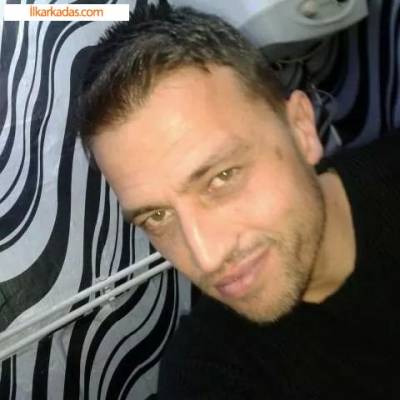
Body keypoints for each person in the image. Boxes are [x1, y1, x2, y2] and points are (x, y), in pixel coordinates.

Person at [78, 1, 400, 398]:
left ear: (301, 130)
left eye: (222, 177)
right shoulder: (210, 368)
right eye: (157, 216)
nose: (207, 258)